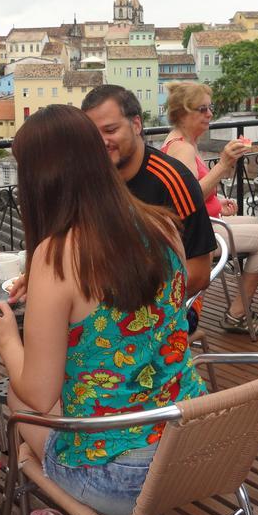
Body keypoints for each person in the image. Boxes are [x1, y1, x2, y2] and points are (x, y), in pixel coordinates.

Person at [0, 105, 206, 515]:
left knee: (16, 398)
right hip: (194, 441)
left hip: (121, 477)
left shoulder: (56, 256)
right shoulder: (162, 223)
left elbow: (37, 392)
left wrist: (4, 340)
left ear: (38, 178)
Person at [160, 81, 258, 336]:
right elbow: (188, 199)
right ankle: (238, 313)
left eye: (210, 107)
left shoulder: (185, 142)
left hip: (207, 223)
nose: (210, 114)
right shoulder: (181, 148)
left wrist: (217, 202)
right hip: (197, 236)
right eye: (202, 109)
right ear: (183, 113)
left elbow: (194, 189)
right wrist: (224, 163)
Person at [80, 85, 215, 331]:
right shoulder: (90, 180)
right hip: (100, 300)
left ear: (136, 125)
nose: (101, 142)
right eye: (92, 133)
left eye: (110, 130)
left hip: (168, 311)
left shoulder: (174, 180)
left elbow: (199, 274)